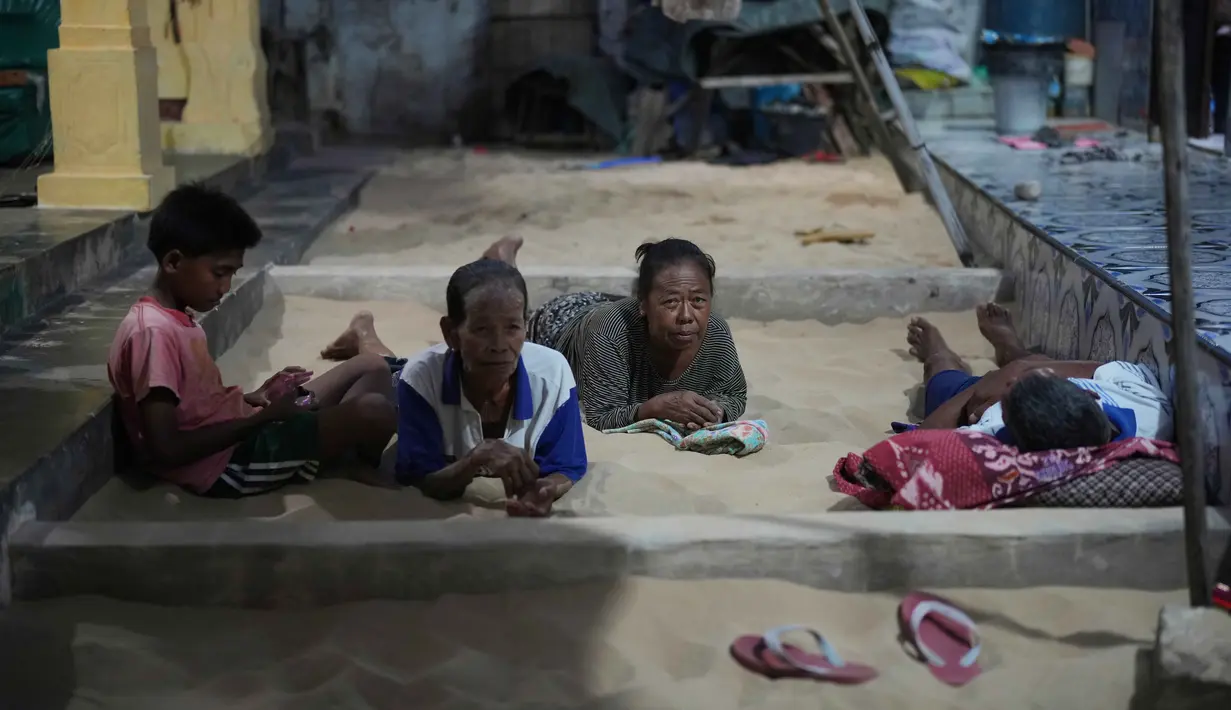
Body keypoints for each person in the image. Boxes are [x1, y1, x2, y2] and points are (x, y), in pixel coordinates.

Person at [107, 184, 397, 498]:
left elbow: (196, 406)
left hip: (245, 425)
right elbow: (166, 449)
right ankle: (337, 460)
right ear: (174, 262)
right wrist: (266, 420)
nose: (225, 287)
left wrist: (254, 397)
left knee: (373, 366)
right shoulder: (153, 333)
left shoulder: (175, 317)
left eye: (232, 274)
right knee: (375, 411)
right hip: (229, 464)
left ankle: (328, 452)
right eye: (219, 273)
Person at [320, 255, 588, 518]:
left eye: (512, 327)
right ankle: (363, 333)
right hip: (405, 377)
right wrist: (474, 461)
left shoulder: (553, 375)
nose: (499, 344)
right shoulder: (420, 381)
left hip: (429, 364)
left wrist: (546, 489)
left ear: (525, 327)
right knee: (387, 367)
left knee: (395, 361)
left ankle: (364, 332)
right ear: (451, 333)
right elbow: (422, 479)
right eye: (482, 329)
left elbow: (566, 466)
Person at [522, 236, 747, 431]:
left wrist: (715, 413)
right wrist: (652, 409)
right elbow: (600, 417)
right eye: (671, 302)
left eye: (698, 300)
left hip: (622, 310)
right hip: (565, 321)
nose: (686, 315)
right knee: (517, 320)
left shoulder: (715, 331)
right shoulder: (609, 333)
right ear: (643, 303)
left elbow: (734, 394)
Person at [906, 303, 1173, 450]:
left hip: (975, 398)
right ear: (1088, 393)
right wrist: (1021, 369)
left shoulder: (993, 430)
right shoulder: (1151, 413)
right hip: (1044, 376)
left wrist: (985, 391)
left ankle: (939, 354)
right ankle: (1014, 352)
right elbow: (1107, 367)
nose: (1011, 384)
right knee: (1036, 364)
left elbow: (918, 443)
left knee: (944, 380)